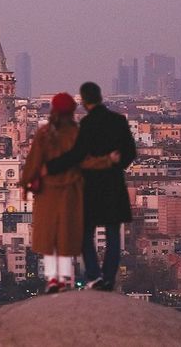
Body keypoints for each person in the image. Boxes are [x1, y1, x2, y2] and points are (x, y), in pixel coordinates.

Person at [21, 92, 119, 294]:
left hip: (47, 192)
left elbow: (33, 161)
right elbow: (87, 160)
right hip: (71, 192)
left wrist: (25, 183)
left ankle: (52, 280)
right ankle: (64, 279)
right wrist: (107, 160)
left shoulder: (45, 133)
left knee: (49, 237)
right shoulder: (77, 134)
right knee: (66, 235)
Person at [45, 82, 136, 292]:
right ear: (100, 97)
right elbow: (130, 152)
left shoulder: (87, 123)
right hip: (113, 185)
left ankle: (94, 276)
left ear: (84, 102)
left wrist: (52, 166)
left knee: (85, 233)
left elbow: (77, 155)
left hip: (92, 186)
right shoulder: (118, 120)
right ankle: (109, 279)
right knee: (113, 234)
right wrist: (116, 164)